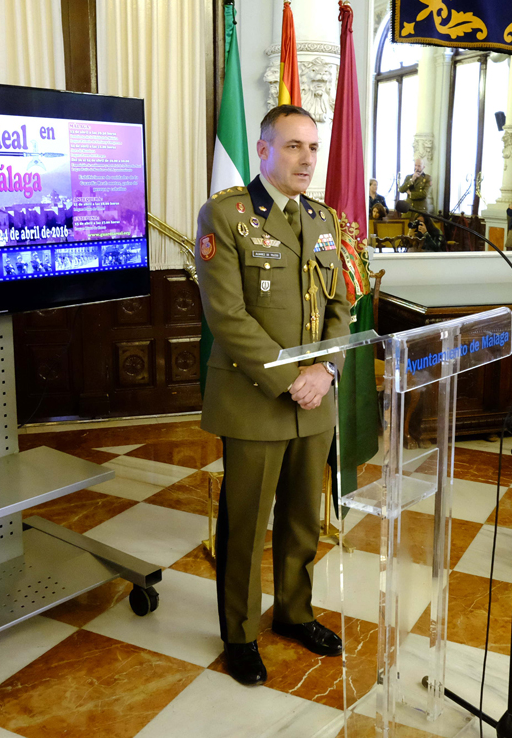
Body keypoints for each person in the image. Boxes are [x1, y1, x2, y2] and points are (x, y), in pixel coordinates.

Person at [195, 104, 350, 687]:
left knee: (301, 521)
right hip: (256, 399)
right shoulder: (226, 216)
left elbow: (340, 307)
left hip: (316, 400)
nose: (306, 158)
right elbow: (227, 317)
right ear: (262, 150)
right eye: (292, 146)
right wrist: (293, 379)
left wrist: (326, 373)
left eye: (312, 147)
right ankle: (238, 632)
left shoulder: (326, 220)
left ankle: (294, 611)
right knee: (245, 523)